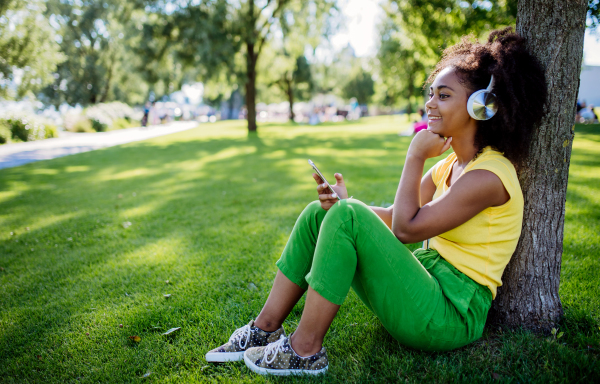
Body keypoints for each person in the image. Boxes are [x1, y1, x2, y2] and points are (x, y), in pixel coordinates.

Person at [204, 27, 547, 376]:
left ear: (481, 106)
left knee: (347, 215)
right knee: (320, 214)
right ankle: (264, 328)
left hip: (450, 315)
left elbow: (404, 229)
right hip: (424, 288)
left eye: (443, 96)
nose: (430, 103)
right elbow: (397, 215)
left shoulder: (489, 176)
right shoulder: (451, 166)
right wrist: (346, 205)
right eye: (431, 94)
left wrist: (414, 156)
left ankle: (304, 350)